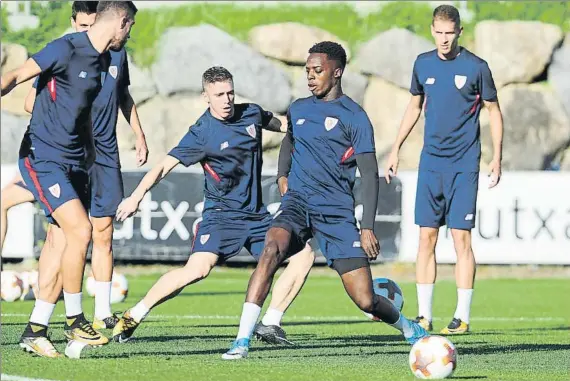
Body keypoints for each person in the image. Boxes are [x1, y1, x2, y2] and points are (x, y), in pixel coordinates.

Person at [222, 41, 429, 360]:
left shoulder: (355, 117)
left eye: (317, 71)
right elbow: (288, 144)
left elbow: (370, 174)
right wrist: (282, 175)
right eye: (307, 70)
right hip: (298, 203)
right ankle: (242, 339)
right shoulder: (299, 108)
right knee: (271, 249)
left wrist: (367, 227)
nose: (310, 76)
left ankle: (408, 327)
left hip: (336, 214)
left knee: (365, 300)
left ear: (337, 72)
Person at [112, 66, 315, 344]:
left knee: (304, 256)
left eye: (230, 92)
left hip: (256, 217)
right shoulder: (201, 133)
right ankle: (134, 314)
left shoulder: (251, 114)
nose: (226, 99)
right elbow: (163, 167)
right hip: (221, 218)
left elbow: (281, 124)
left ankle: (270, 322)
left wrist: (315, 123)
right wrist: (136, 196)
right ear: (205, 97)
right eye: (218, 94)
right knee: (197, 270)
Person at [1, 1, 138, 358]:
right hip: (41, 158)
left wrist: (88, 161)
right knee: (81, 231)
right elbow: (15, 77)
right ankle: (75, 318)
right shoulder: (65, 48)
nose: (130, 34)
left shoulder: (104, 62)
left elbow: (83, 122)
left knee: (63, 244)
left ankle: (35, 329)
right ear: (121, 22)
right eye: (131, 26)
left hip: (75, 165)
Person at [384, 4, 504, 335]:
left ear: (460, 32)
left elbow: (493, 110)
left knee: (462, 239)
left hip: (464, 164)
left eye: (450, 32)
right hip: (430, 163)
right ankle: (424, 316)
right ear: (432, 30)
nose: (444, 39)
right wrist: (395, 150)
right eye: (438, 32)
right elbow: (414, 105)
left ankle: (461, 316)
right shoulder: (423, 63)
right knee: (426, 238)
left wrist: (497, 157)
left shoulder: (477, 67)